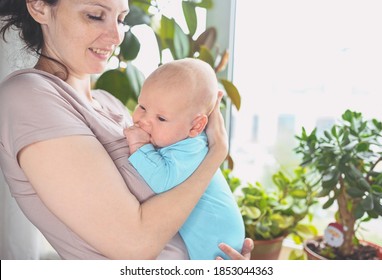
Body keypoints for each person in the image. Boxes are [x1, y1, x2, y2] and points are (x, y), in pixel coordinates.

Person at [0, 0, 253, 259]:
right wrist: (216, 154)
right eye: (95, 15)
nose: (116, 36)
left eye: (121, 19)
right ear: (40, 7)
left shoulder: (114, 105)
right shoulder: (29, 98)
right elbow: (135, 245)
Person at [124, 58, 245, 260]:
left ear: (196, 127)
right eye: (142, 106)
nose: (143, 120)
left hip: (216, 242)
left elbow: (163, 182)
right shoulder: (178, 138)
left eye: (161, 118)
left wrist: (139, 147)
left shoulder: (192, 148)